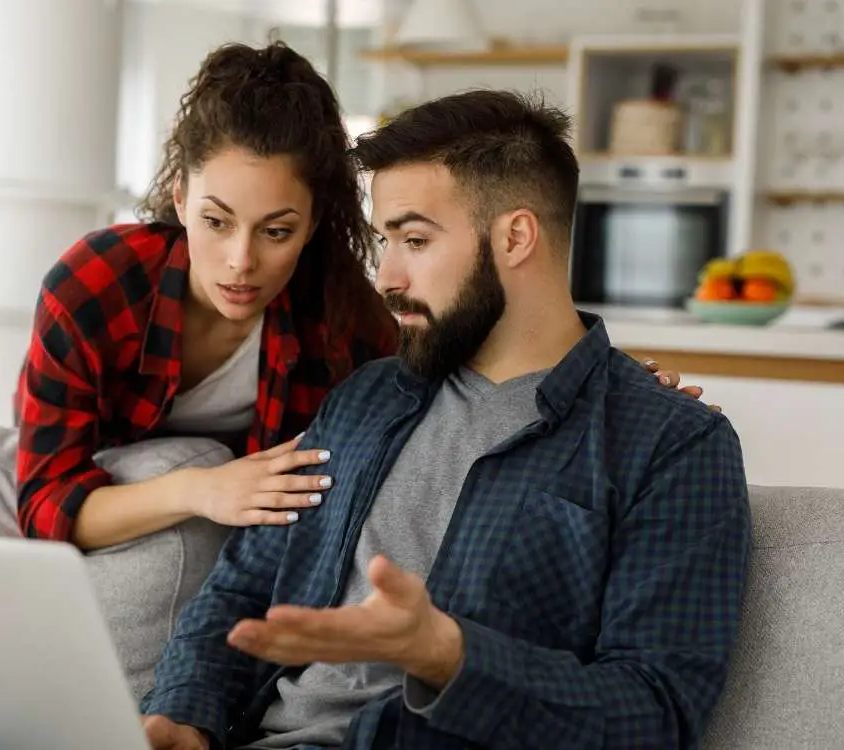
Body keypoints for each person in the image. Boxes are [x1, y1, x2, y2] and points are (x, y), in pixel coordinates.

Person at [137, 89, 753, 750]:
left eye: (414, 239)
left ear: (515, 237)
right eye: (383, 240)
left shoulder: (670, 444)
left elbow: (655, 713)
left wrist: (447, 655)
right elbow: (240, 591)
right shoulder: (365, 399)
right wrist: (179, 718)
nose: (388, 275)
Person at [14, 41, 706, 550]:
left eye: (277, 231)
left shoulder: (340, 309)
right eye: (215, 221)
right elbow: (45, 500)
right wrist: (201, 488)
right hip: (106, 487)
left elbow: (466, 360)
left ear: (314, 224)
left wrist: (608, 387)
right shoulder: (97, 284)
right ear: (180, 197)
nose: (241, 261)